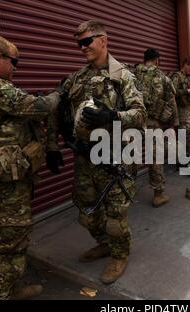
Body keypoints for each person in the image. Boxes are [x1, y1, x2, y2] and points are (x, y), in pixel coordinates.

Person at [0, 34, 61, 300]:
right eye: (13, 61)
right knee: (8, 245)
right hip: (3, 184)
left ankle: (12, 287)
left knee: (11, 237)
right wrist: (57, 95)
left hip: (6, 179)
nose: (16, 67)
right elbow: (39, 107)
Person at [48, 20, 146, 285]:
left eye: (87, 41)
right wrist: (52, 145)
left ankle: (119, 254)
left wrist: (112, 114)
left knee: (115, 217)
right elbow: (56, 109)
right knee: (86, 213)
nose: (82, 48)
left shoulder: (122, 76)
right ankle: (104, 243)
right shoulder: (77, 78)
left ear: (103, 40)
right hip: (84, 157)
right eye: (79, 43)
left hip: (115, 158)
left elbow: (140, 114)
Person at [135, 48, 177, 207]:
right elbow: (171, 103)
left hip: (134, 121)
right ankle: (158, 194)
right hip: (153, 124)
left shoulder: (133, 73)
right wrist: (171, 124)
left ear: (144, 59)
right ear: (157, 59)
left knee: (129, 155)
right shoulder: (163, 77)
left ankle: (126, 190)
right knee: (155, 158)